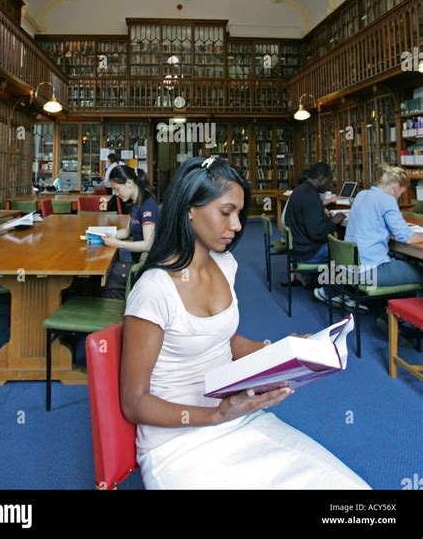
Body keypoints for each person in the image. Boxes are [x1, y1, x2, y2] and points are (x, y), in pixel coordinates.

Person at [120, 156, 370, 490]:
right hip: (178, 444)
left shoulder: (225, 265)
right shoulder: (153, 289)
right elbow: (133, 402)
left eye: (238, 213)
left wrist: (280, 352)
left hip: (239, 417)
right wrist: (216, 415)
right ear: (189, 210)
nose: (237, 225)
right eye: (226, 212)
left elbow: (222, 338)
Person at [345, 164, 423, 288]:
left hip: (348, 265)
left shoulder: (361, 194)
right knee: (420, 272)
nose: (399, 196)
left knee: (402, 262)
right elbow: (407, 237)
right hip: (369, 270)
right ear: (396, 187)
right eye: (401, 193)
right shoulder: (387, 200)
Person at [100, 165, 159, 298]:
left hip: (145, 265)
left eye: (117, 189)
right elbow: (127, 231)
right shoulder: (136, 203)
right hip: (136, 260)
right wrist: (108, 234)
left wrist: (118, 244)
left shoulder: (147, 205)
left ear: (129, 183)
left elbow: (148, 244)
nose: (116, 194)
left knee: (109, 280)